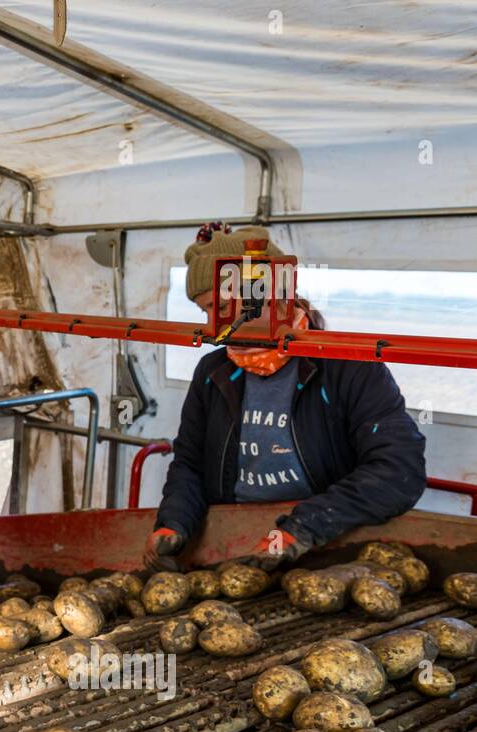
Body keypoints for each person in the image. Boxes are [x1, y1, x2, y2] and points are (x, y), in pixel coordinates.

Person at [143, 223, 427, 572]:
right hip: (236, 547)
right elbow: (190, 463)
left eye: (226, 307)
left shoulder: (349, 369)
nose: (218, 326)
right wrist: (174, 522)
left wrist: (302, 528)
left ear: (273, 295)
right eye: (206, 312)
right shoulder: (212, 372)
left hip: (323, 549)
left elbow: (398, 470)